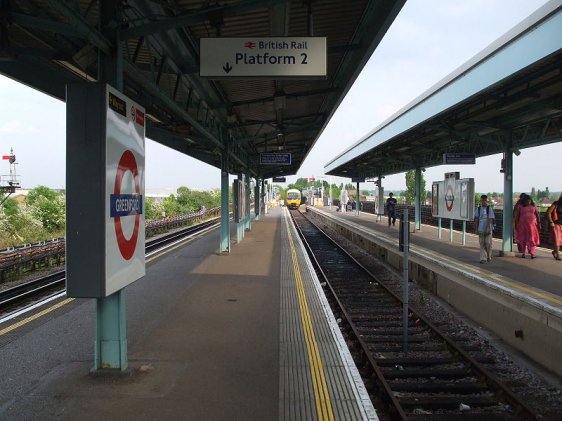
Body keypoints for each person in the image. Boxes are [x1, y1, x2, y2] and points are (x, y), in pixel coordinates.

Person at [514, 194, 541, 258]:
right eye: (527, 201)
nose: (528, 202)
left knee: (532, 239)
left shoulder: (533, 205)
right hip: (523, 225)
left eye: (529, 201)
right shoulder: (520, 206)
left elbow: (537, 214)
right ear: (524, 201)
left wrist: (539, 223)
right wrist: (516, 224)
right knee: (523, 239)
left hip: (532, 226)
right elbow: (517, 216)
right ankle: (523, 253)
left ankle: (532, 253)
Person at [474, 194, 495, 264]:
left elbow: (490, 219)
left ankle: (489, 255)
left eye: (485, 200)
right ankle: (483, 258)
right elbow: (476, 219)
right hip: (480, 228)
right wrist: (476, 229)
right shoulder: (478, 209)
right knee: (482, 243)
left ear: (487, 201)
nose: (483, 202)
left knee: (488, 243)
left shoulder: (489, 209)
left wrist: (487, 228)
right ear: (481, 200)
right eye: (482, 200)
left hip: (488, 229)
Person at [546, 193, 562, 261]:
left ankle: (555, 251)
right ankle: (558, 255)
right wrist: (551, 222)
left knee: (560, 241)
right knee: (557, 240)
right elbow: (549, 212)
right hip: (556, 224)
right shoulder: (556, 204)